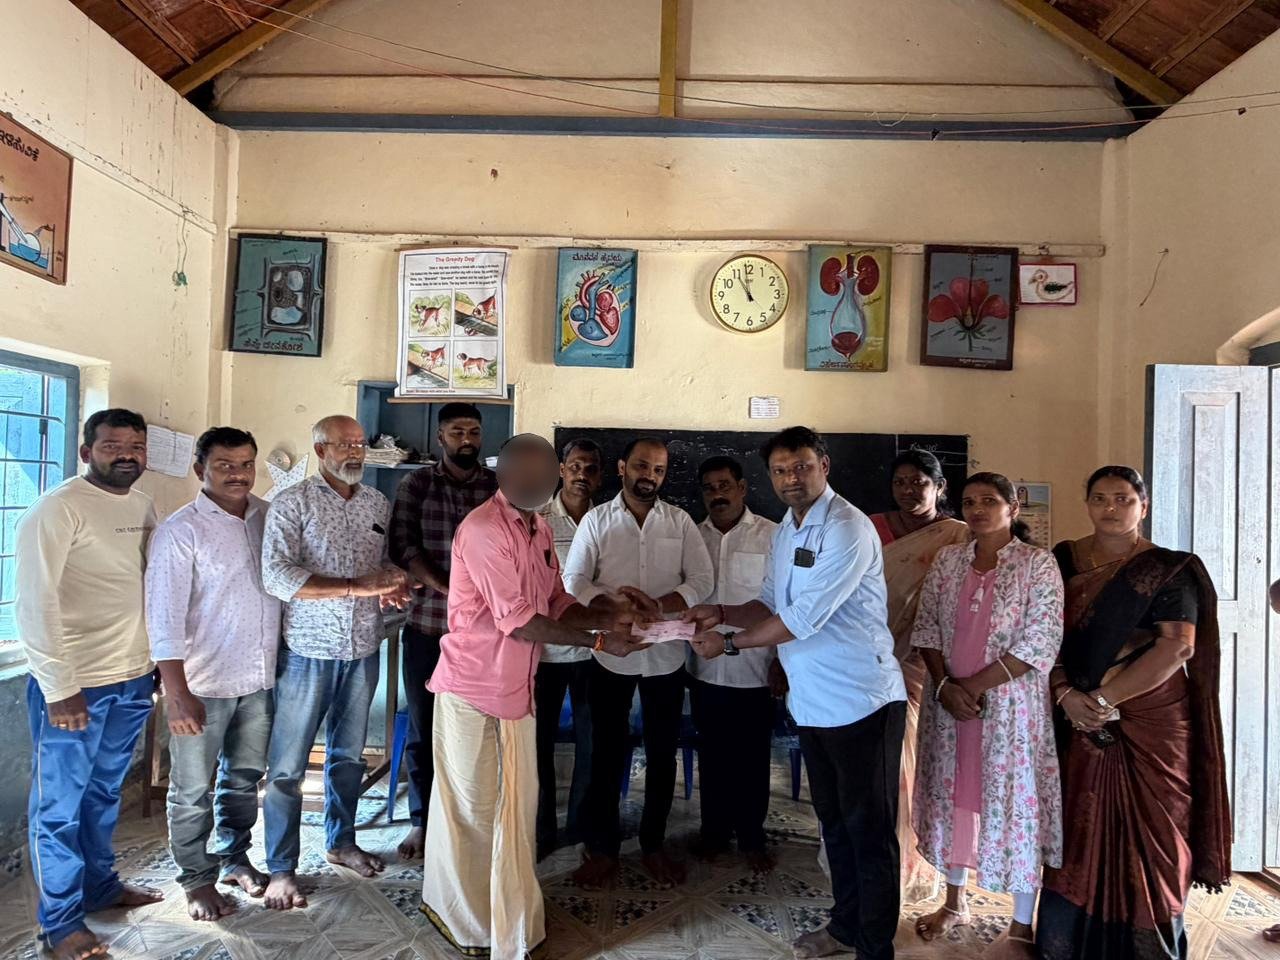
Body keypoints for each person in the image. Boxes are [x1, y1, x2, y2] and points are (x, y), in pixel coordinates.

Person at [685, 426, 907, 960]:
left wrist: (730, 644)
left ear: (824, 466)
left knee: (869, 832)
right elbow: (768, 601)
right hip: (810, 702)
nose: (791, 479)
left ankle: (875, 948)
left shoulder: (847, 527)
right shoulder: (788, 528)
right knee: (835, 824)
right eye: (781, 470)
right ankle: (844, 928)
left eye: (802, 466)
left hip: (862, 701)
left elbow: (803, 618)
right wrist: (722, 613)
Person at [421, 434, 646, 960]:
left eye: (543, 474)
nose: (535, 482)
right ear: (501, 476)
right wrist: (599, 641)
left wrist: (605, 611)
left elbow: (555, 599)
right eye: (524, 473)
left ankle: (513, 917)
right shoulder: (483, 530)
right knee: (474, 814)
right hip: (473, 693)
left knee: (515, 812)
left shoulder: (538, 527)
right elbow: (519, 621)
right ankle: (473, 926)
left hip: (515, 693)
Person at [1038, 466, 1232, 960]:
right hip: (1075, 715)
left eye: (1123, 498)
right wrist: (1065, 694)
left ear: (1143, 506)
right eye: (1100, 498)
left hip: (1153, 720)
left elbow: (1177, 647)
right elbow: (1043, 634)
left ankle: (1152, 947)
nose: (1111, 508)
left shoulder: (1168, 568)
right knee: (1076, 830)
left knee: (1159, 834)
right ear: (1087, 503)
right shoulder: (1062, 560)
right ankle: (1067, 947)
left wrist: (1103, 702)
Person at [15, 408, 166, 960]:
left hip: (132, 678)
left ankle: (101, 887)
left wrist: (153, 661)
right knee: (58, 808)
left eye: (136, 446)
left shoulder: (143, 504)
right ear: (85, 452)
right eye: (112, 446)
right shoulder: (57, 510)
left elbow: (147, 588)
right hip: (76, 687)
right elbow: (33, 604)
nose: (127, 455)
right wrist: (59, 687)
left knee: (104, 794)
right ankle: (59, 925)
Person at [260, 415, 411, 910]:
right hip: (308, 651)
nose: (355, 452)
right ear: (321, 449)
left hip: (363, 648)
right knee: (287, 767)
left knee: (348, 757)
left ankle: (341, 841)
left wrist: (390, 584)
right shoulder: (292, 502)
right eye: (344, 445)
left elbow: (380, 565)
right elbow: (277, 576)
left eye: (360, 444)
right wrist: (354, 588)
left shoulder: (376, 503)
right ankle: (281, 867)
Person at [910, 472, 1064, 959]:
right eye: (969, 501)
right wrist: (944, 687)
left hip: (1009, 712)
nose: (977, 510)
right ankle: (954, 902)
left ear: (1013, 507)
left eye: (989, 501)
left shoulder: (1037, 563)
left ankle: (1020, 924)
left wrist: (970, 688)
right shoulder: (949, 560)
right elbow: (926, 628)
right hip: (949, 710)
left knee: (1013, 805)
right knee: (956, 797)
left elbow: (1040, 640)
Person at [563, 437, 715, 888]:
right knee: (605, 754)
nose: (650, 476)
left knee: (662, 755)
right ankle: (603, 848)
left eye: (659, 470)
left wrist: (660, 604)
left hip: (665, 654)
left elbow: (702, 579)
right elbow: (574, 579)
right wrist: (611, 609)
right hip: (612, 654)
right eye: (642, 466)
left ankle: (653, 844)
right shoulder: (597, 520)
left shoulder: (680, 522)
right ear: (623, 467)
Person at [145, 427, 282, 921]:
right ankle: (195, 878)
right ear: (200, 469)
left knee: (244, 779)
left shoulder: (268, 516)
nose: (238, 474)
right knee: (190, 789)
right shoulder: (181, 531)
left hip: (260, 678)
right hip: (202, 683)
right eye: (225, 465)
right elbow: (162, 617)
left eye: (245, 464)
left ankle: (233, 858)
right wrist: (176, 693)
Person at [389, 402, 496, 860]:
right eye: (457, 432)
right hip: (428, 628)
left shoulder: (497, 487)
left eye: (473, 431)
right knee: (425, 728)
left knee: (479, 731)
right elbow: (403, 547)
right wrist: (452, 589)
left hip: (485, 636)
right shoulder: (416, 485)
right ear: (440, 438)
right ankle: (423, 821)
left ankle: (471, 821)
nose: (466, 440)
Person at [868, 449, 969, 903]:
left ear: (939, 487)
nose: (909, 490)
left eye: (919, 482)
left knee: (917, 764)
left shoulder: (958, 537)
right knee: (874, 765)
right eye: (901, 482)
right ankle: (873, 858)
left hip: (927, 666)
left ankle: (915, 862)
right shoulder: (870, 528)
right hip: (867, 660)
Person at [687, 455, 779, 873]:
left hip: (755, 668)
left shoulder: (773, 535)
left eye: (725, 485)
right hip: (704, 669)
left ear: (742, 488)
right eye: (709, 488)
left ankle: (752, 837)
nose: (717, 494)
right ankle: (713, 833)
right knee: (713, 755)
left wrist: (780, 662)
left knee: (752, 759)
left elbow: (783, 603)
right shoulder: (692, 536)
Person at [533, 438, 603, 860]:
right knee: (537, 743)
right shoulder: (536, 518)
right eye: (575, 466)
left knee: (591, 742)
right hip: (545, 652)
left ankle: (581, 828)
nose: (582, 474)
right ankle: (541, 830)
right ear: (561, 470)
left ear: (600, 475)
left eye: (590, 468)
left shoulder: (607, 520)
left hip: (594, 651)